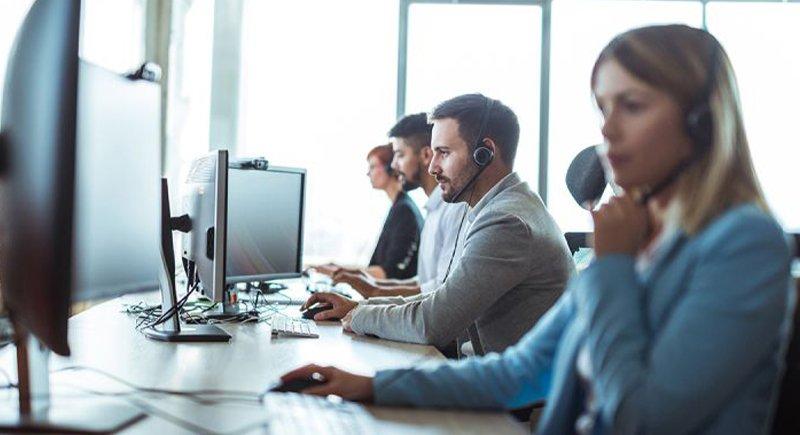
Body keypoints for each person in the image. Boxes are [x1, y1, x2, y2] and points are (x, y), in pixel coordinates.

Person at [281, 25, 794, 434]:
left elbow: (643, 419)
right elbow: (520, 372)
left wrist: (612, 268)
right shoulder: (636, 238)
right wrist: (369, 386)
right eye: (603, 108)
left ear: (702, 123)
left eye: (632, 106)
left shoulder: (743, 244)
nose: (607, 131)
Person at [304, 94, 574, 356]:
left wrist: (361, 314)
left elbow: (432, 323)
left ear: (485, 153)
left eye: (443, 153)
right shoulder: (501, 208)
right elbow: (442, 299)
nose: (432, 167)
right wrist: (362, 306)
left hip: (510, 397)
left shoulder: (506, 222)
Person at [331, 113, 467, 298]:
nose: (394, 165)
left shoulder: (453, 210)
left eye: (400, 155)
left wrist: (370, 295)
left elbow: (440, 291)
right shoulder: (433, 210)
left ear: (426, 155)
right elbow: (424, 283)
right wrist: (367, 285)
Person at [316, 144, 423, 280]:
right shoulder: (398, 206)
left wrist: (339, 272)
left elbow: (389, 272)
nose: (368, 173)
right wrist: (339, 268)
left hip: (395, 295)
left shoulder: (404, 211)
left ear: (390, 168)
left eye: (372, 166)